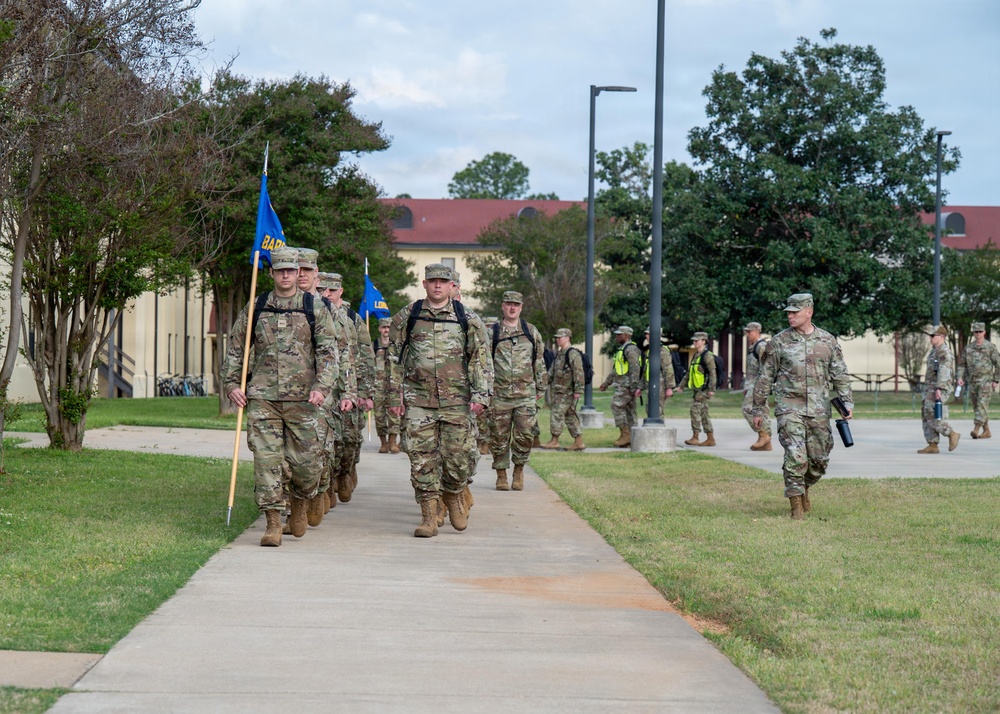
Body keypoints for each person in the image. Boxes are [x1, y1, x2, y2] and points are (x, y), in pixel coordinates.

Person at [222, 247, 339, 547]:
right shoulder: (257, 306)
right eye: (280, 270)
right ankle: (273, 522)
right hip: (263, 398)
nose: (286, 275)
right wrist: (232, 384)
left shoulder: (314, 307)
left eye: (291, 270)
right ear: (272, 273)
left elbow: (329, 353)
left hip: (304, 400)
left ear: (298, 273)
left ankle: (300, 500)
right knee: (267, 461)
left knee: (308, 465)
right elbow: (237, 348)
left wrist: (322, 387)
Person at [387, 263, 490, 538]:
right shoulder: (407, 316)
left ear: (451, 286)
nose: (437, 285)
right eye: (432, 281)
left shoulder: (467, 318)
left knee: (458, 459)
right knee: (421, 460)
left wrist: (481, 395)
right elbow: (393, 357)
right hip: (418, 400)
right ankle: (429, 518)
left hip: (457, 401)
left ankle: (454, 493)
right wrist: (394, 393)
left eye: (442, 281)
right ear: (424, 284)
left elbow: (480, 359)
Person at [752, 293, 853, 520]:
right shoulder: (779, 342)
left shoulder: (828, 341)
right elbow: (765, 377)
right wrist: (759, 409)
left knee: (819, 460)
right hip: (789, 409)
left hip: (819, 411)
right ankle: (796, 506)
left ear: (809, 311)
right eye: (788, 312)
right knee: (795, 456)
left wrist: (846, 402)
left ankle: (805, 486)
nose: (790, 316)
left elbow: (840, 374)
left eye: (795, 312)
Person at [323, 272, 376, 502]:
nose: (326, 294)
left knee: (349, 440)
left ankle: (346, 470)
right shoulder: (314, 314)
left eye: (331, 290)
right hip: (325, 390)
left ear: (340, 292)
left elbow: (366, 356)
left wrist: (365, 392)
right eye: (322, 289)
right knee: (327, 441)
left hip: (348, 388)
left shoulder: (353, 319)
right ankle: (326, 484)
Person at [488, 290, 547, 491]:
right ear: (503, 306)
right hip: (499, 395)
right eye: (508, 304)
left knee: (526, 435)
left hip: (525, 395)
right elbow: (485, 363)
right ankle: (501, 474)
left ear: (521, 307)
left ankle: (519, 470)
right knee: (498, 437)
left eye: (516, 304)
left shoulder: (531, 331)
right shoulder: (493, 332)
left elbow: (539, 360)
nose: (512, 308)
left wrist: (541, 386)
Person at [540, 327, 586, 451]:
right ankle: (579, 441)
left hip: (567, 391)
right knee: (570, 416)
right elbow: (552, 372)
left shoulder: (572, 353)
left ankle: (554, 440)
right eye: (557, 337)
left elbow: (579, 372)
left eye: (560, 337)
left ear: (567, 338)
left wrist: (578, 390)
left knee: (556, 413)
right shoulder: (560, 354)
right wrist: (542, 384)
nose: (557, 339)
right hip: (560, 390)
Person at [918, 325, 960, 454]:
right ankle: (932, 444)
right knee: (926, 414)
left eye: (932, 335)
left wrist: (939, 389)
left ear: (941, 337)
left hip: (938, 388)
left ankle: (951, 433)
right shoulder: (934, 351)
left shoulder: (944, 352)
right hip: (930, 388)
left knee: (931, 414)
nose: (930, 338)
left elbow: (944, 371)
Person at [599, 326, 642, 447]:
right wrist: (606, 383)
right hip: (623, 384)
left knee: (616, 405)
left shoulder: (631, 349)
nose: (616, 336)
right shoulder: (622, 350)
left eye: (620, 334)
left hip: (627, 385)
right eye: (616, 334)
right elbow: (616, 370)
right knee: (629, 411)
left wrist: (634, 386)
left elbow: (635, 369)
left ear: (627, 335)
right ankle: (632, 438)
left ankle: (626, 434)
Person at [957, 321, 1000, 439]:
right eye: (976, 332)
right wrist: (960, 377)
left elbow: (998, 364)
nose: (978, 334)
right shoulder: (969, 348)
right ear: (973, 333)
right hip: (972, 381)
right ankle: (987, 431)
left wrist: (996, 379)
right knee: (977, 407)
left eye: (980, 331)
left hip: (985, 381)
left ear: (984, 332)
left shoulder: (990, 347)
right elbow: (962, 364)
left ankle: (976, 429)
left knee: (982, 404)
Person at [741, 321, 773, 451]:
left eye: (750, 332)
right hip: (752, 384)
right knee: (763, 411)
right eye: (747, 332)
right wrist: (746, 385)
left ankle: (764, 435)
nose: (748, 334)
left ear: (757, 331)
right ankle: (766, 442)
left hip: (758, 385)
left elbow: (767, 367)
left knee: (747, 408)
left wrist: (763, 386)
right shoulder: (753, 347)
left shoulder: (761, 347)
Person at [683, 331, 717, 447]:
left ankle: (696, 436)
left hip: (704, 390)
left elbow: (713, 373)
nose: (694, 342)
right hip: (697, 389)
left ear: (704, 341)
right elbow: (689, 373)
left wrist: (711, 389)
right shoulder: (696, 355)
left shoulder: (707, 355)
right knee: (704, 413)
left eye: (697, 340)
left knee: (694, 410)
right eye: (694, 340)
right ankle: (710, 438)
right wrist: (681, 385)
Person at [373, 316, 401, 453]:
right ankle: (383, 442)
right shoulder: (374, 345)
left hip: (394, 386)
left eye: (388, 327)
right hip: (378, 386)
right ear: (379, 329)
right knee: (379, 414)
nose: (386, 330)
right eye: (384, 327)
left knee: (394, 414)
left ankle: (393, 441)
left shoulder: (396, 346)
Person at [640, 326, 675, 420]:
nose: (647, 336)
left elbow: (668, 369)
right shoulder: (649, 350)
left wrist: (669, 387)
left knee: (657, 410)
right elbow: (645, 370)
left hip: (660, 385)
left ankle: (659, 430)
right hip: (650, 385)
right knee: (650, 409)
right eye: (646, 334)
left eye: (649, 334)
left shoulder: (662, 351)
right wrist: (640, 386)